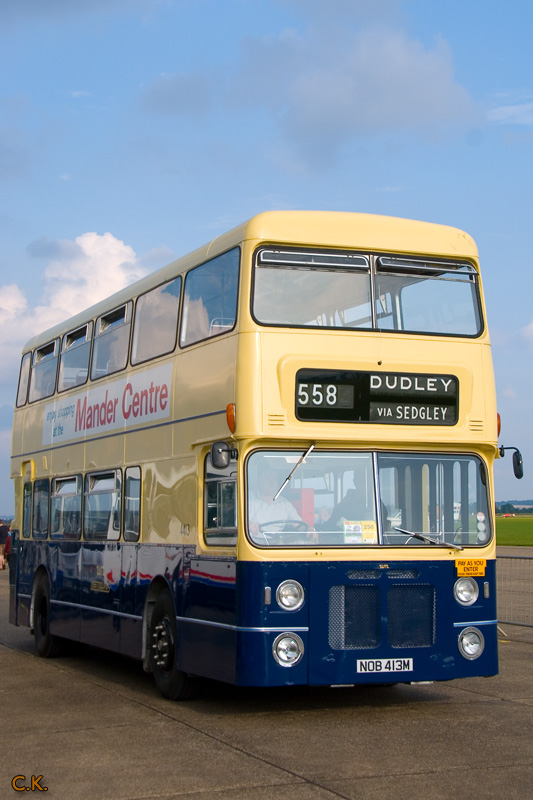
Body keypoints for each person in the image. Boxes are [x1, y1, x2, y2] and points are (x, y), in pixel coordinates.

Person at [248, 468, 306, 538]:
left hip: (277, 543)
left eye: (274, 479)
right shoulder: (247, 498)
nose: (271, 482)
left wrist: (309, 529)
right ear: (259, 480)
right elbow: (239, 521)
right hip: (252, 542)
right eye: (267, 478)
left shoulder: (285, 504)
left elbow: (299, 525)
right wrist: (248, 524)